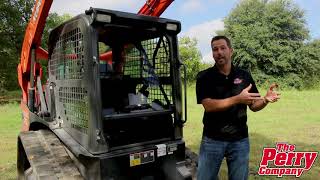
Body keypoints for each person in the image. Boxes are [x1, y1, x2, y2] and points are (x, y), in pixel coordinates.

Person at [196, 35, 280, 180]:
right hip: (212, 140)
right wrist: (237, 99)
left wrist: (265, 100)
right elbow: (208, 105)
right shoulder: (204, 76)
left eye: (223, 48)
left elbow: (254, 105)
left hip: (239, 140)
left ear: (231, 51)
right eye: (215, 49)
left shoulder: (244, 75)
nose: (219, 52)